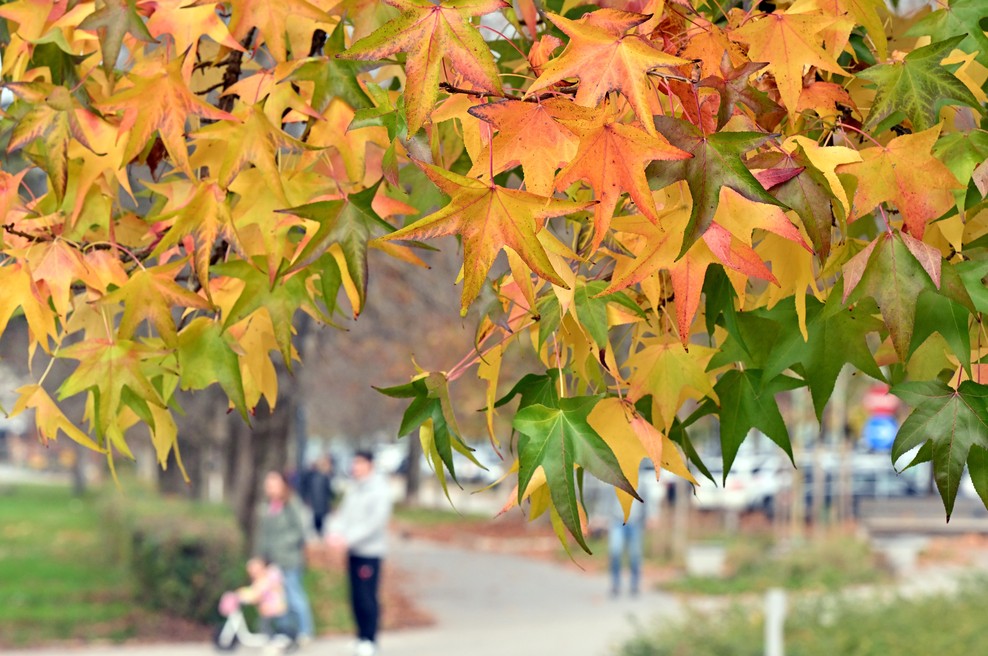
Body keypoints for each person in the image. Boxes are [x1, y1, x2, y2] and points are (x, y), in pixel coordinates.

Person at [327, 450, 393, 656]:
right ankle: (360, 636)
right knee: (355, 595)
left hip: (369, 553)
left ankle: (370, 638)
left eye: (359, 463)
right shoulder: (353, 488)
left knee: (367, 597)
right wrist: (335, 533)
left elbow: (374, 523)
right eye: (354, 463)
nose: (355, 467)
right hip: (353, 552)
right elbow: (343, 515)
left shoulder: (379, 490)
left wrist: (349, 539)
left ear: (369, 464)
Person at [255, 470, 316, 645]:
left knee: (294, 596)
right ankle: (285, 630)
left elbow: (300, 530)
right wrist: (260, 556)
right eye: (268, 484)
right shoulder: (267, 506)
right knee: (278, 598)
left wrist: (281, 545)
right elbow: (263, 535)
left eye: (274, 484)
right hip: (273, 562)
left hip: (290, 559)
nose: (270, 488)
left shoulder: (292, 503)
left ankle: (306, 630)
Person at [591, 472, 648, 597]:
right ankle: (615, 585)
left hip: (635, 521)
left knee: (635, 555)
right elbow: (606, 500)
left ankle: (634, 584)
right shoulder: (615, 480)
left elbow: (646, 501)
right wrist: (602, 518)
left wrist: (648, 518)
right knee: (615, 552)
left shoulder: (641, 481)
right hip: (617, 521)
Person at [237, 557, 291, 637]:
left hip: (273, 609)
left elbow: (257, 594)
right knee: (265, 626)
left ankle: (274, 640)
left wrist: (245, 596)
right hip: (270, 610)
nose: (252, 573)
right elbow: (254, 591)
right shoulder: (261, 580)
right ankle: (275, 639)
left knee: (266, 627)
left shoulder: (265, 579)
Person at [302, 456, 336, 536]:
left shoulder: (322, 476)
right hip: (317, 504)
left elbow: (328, 491)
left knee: (319, 524)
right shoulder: (314, 476)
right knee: (317, 524)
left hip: (320, 504)